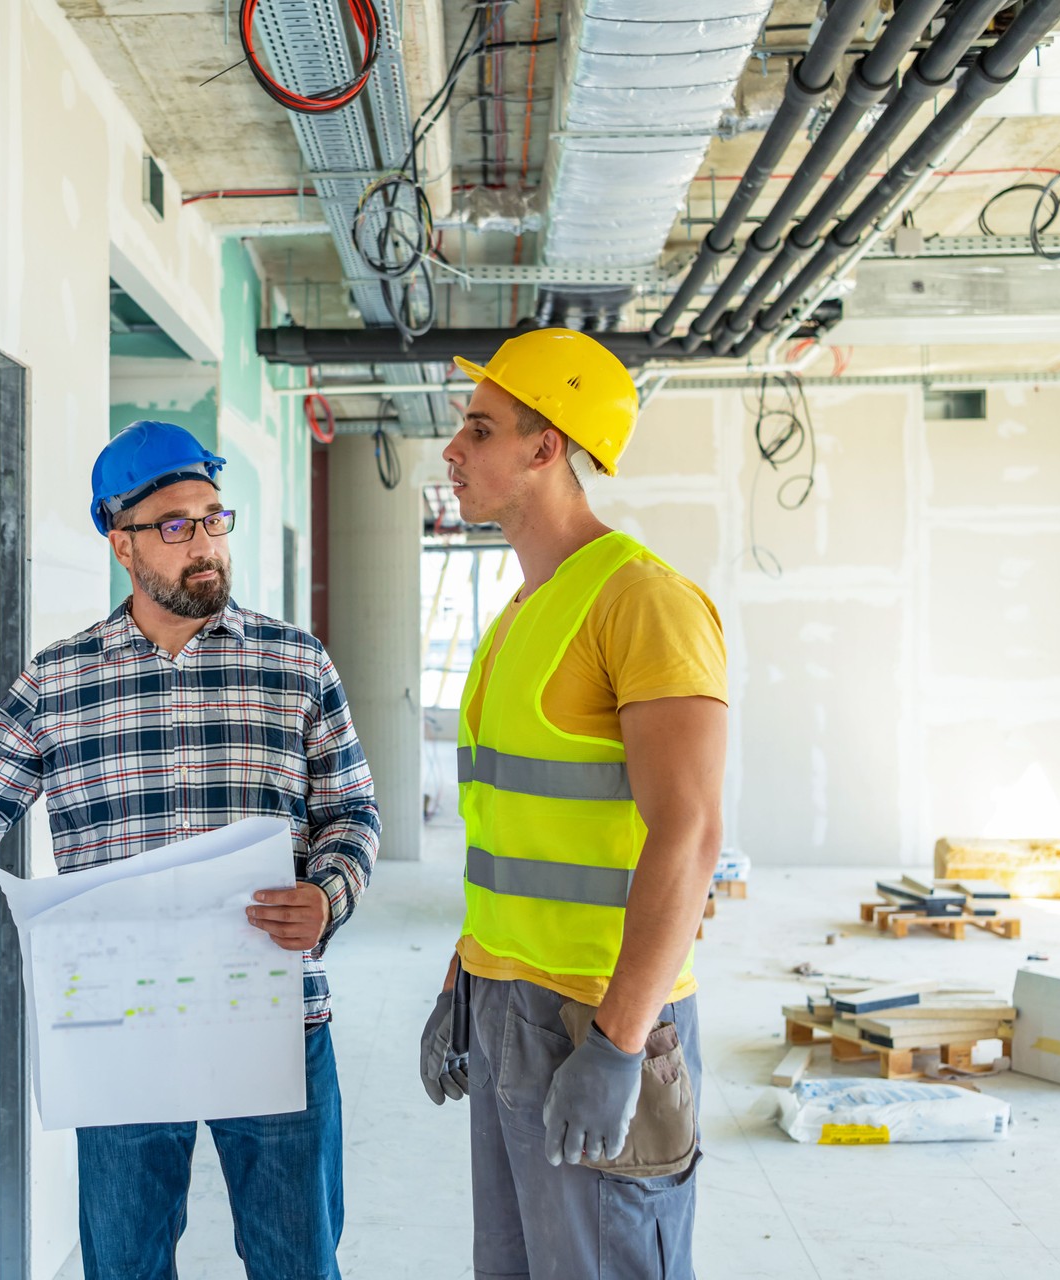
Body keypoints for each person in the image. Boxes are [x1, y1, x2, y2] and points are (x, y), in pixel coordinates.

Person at [0, 420, 379, 1280]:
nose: (206, 546)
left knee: (297, 1260)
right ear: (122, 543)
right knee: (123, 1265)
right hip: (124, 1028)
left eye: (215, 519)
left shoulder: (294, 665)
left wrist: (328, 894)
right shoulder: (60, 679)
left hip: (274, 1017)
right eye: (176, 527)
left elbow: (352, 812)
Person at [417, 329, 727, 1279]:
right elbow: (512, 834)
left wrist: (621, 1044)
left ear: (547, 448)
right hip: (507, 1005)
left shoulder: (640, 601)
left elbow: (692, 831)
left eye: (479, 429)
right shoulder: (522, 613)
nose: (452, 450)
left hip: (597, 1018)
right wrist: (461, 981)